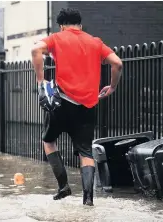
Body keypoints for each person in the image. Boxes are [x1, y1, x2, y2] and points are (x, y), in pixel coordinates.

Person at [31, 8, 123, 206]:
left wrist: (41, 81)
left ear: (62, 25)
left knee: (48, 141)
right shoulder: (95, 42)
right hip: (88, 105)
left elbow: (35, 50)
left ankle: (63, 185)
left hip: (62, 102)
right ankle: (88, 200)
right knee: (85, 153)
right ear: (80, 25)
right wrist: (112, 86)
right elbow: (117, 63)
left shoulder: (57, 38)